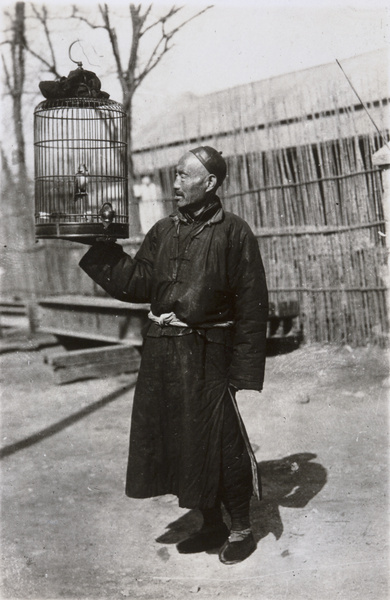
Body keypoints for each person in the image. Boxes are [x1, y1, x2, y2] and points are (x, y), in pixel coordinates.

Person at [79, 146, 269, 564]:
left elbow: (253, 307)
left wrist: (242, 372)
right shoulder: (163, 231)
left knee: (221, 442)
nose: (175, 184)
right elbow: (138, 283)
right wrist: (103, 248)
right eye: (176, 176)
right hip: (164, 351)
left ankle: (241, 528)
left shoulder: (234, 233)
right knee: (181, 441)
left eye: (184, 176)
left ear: (210, 183)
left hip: (209, 353)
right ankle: (211, 524)